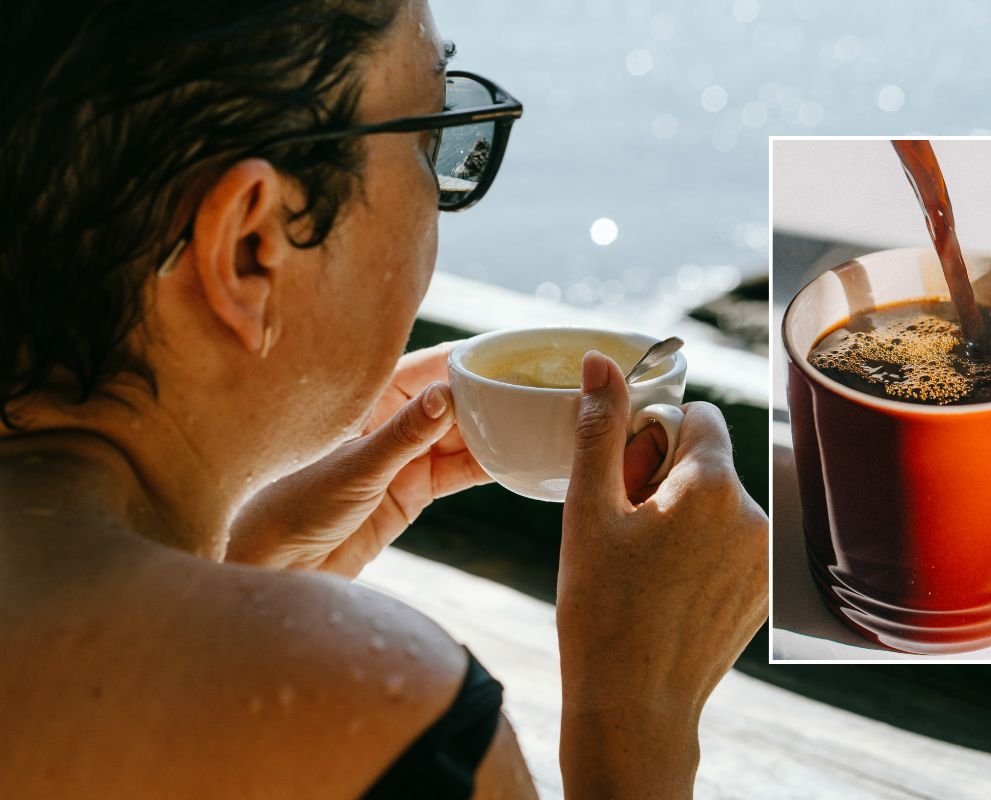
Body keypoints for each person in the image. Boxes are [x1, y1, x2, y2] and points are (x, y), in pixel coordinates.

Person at [0, 1, 768, 797]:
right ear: (251, 249)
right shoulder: (370, 723)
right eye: (431, 133)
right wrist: (636, 717)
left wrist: (232, 573)